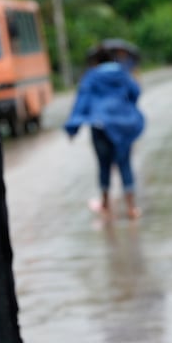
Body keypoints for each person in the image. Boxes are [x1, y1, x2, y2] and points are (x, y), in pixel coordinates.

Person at [64, 43, 145, 219]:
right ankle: (131, 207)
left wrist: (73, 127)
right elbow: (136, 93)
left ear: (95, 61)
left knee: (104, 165)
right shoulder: (123, 73)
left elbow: (82, 102)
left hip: (100, 125)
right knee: (125, 164)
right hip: (123, 126)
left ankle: (106, 205)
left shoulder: (91, 77)